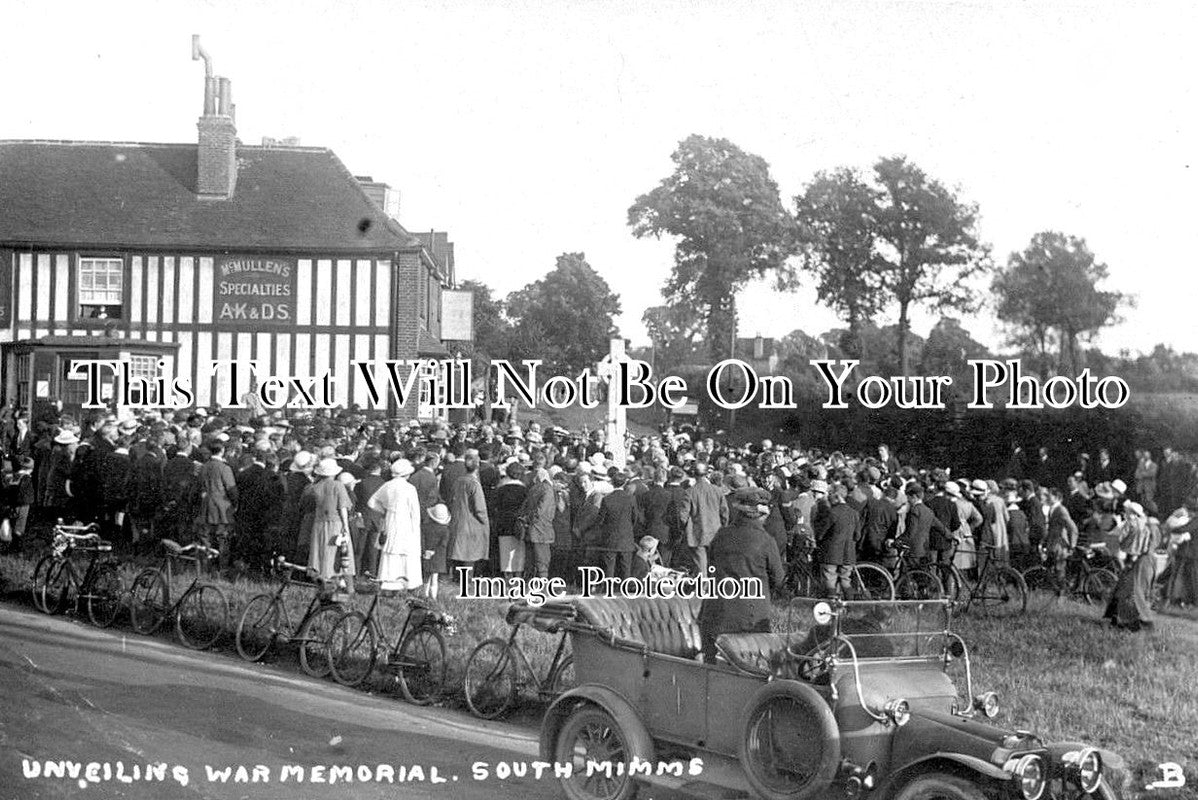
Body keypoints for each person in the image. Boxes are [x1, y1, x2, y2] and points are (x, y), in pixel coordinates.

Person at [698, 487, 785, 663]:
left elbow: (711, 565)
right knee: (750, 671)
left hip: (716, 611)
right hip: (750, 618)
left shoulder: (721, 535)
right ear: (762, 514)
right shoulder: (766, 541)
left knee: (712, 666)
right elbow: (779, 578)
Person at [369, 459, 423, 592]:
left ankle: (388, 581)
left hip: (391, 519)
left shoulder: (387, 485)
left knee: (390, 548)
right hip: (406, 520)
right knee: (406, 550)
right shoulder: (410, 488)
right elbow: (415, 512)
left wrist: (385, 510)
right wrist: (416, 529)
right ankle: (407, 581)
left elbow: (371, 502)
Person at [1104, 500, 1158, 631]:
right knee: (1127, 590)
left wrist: (1132, 557)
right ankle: (1121, 618)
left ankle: (1141, 621)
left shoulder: (1144, 525)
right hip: (1143, 560)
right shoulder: (1150, 526)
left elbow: (1137, 545)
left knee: (1133, 591)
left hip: (1141, 560)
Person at [305, 458, 354, 586]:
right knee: (335, 551)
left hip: (319, 522)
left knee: (320, 550)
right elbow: (342, 507)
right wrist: (345, 525)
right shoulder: (338, 485)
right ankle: (335, 577)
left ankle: (322, 576)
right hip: (335, 522)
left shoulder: (315, 487)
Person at [447, 450, 489, 578]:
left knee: (458, 551)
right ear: (477, 467)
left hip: (457, 520)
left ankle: (456, 577)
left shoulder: (458, 481)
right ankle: (466, 581)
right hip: (472, 523)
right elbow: (480, 508)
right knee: (470, 553)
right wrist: (485, 522)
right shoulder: (474, 484)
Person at [197, 441, 238, 570]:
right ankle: (222, 568)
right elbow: (232, 490)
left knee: (207, 538)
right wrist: (235, 504)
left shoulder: (204, 466)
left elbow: (200, 486)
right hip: (222, 508)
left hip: (206, 506)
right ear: (222, 451)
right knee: (223, 538)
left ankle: (206, 567)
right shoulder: (224, 468)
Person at [815, 483, 860, 598]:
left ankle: (831, 607)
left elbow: (821, 534)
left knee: (830, 579)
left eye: (830, 494)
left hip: (832, 553)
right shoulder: (854, 513)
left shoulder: (832, 512)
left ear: (836, 496)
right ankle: (850, 606)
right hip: (849, 552)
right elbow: (857, 535)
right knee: (845, 580)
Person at [521, 467, 557, 580]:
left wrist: (526, 519)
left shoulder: (533, 488)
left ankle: (528, 583)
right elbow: (541, 511)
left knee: (530, 559)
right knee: (543, 560)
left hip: (531, 529)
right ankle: (543, 585)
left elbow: (525, 507)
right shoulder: (547, 490)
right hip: (542, 529)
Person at [422, 503, 451, 599]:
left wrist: (425, 551)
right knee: (435, 577)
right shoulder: (445, 530)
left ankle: (424, 594)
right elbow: (444, 544)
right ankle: (433, 597)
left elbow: (421, 540)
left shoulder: (425, 527)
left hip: (426, 554)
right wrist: (434, 551)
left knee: (426, 576)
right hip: (438, 557)